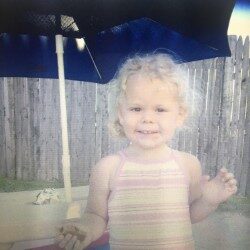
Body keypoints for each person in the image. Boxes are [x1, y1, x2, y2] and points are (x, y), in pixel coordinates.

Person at [56, 54, 237, 250]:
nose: (147, 118)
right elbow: (96, 216)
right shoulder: (107, 168)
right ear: (121, 113)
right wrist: (86, 230)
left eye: (160, 109)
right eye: (136, 108)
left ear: (180, 115)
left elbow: (190, 214)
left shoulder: (188, 165)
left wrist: (209, 201)